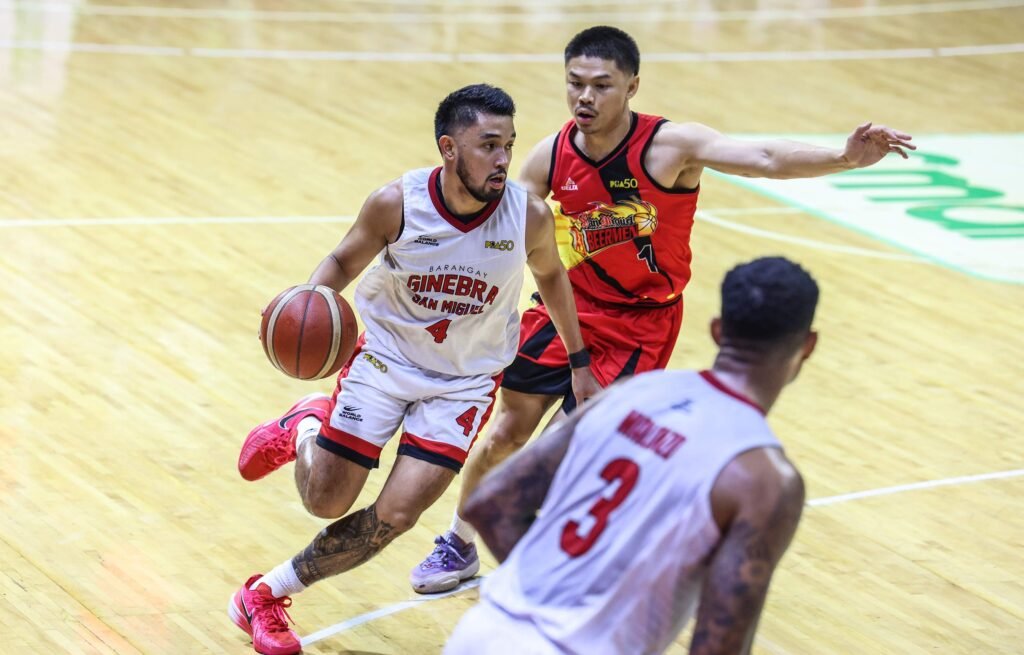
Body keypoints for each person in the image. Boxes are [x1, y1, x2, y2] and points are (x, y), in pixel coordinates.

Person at [411, 25, 913, 593]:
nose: (585, 97)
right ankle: (459, 541)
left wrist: (844, 156)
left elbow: (764, 156)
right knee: (506, 434)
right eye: (575, 83)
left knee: (569, 448)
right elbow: (498, 225)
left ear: (633, 87)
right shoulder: (552, 153)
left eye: (602, 85)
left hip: (639, 326)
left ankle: (553, 558)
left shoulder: (670, 146)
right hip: (565, 309)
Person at [227, 83, 601, 655]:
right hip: (385, 359)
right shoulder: (396, 203)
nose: (503, 160)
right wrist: (303, 306)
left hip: (466, 383)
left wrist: (579, 359)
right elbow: (341, 260)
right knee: (325, 501)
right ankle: (304, 426)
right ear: (449, 149)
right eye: (488, 146)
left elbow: (552, 277)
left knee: (397, 514)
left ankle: (266, 594)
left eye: (509, 146)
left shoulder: (527, 217)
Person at [445, 256, 818, 655]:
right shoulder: (765, 478)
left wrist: (554, 582)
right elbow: (718, 644)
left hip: (483, 632)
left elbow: (491, 502)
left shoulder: (630, 394)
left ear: (717, 330)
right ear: (808, 346)